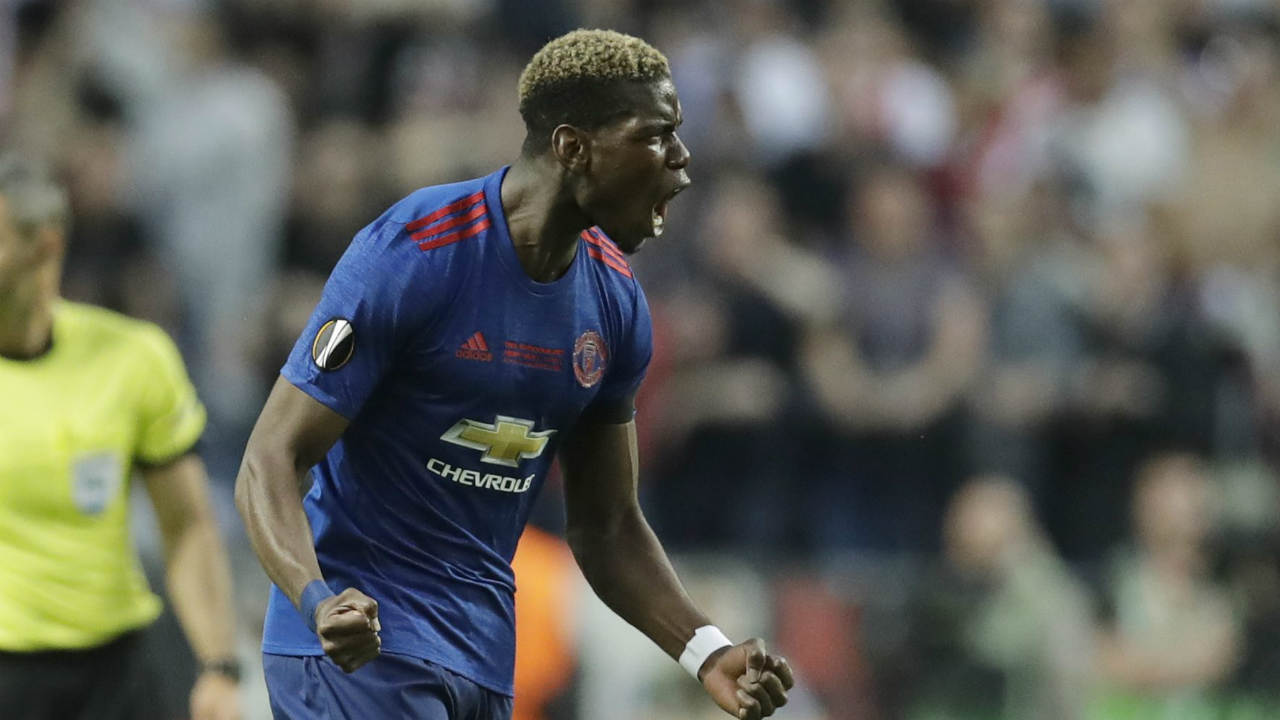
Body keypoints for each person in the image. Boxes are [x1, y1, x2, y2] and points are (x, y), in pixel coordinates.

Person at [235, 29, 794, 720]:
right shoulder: (416, 253)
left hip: (483, 661)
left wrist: (704, 650)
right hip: (360, 648)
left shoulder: (615, 303)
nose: (681, 162)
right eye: (656, 135)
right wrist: (315, 598)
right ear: (572, 148)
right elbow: (271, 457)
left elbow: (608, 526)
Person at [0, 153, 241, 719]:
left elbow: (186, 526)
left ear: (45, 246)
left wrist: (219, 667)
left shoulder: (133, 358)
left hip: (119, 671)